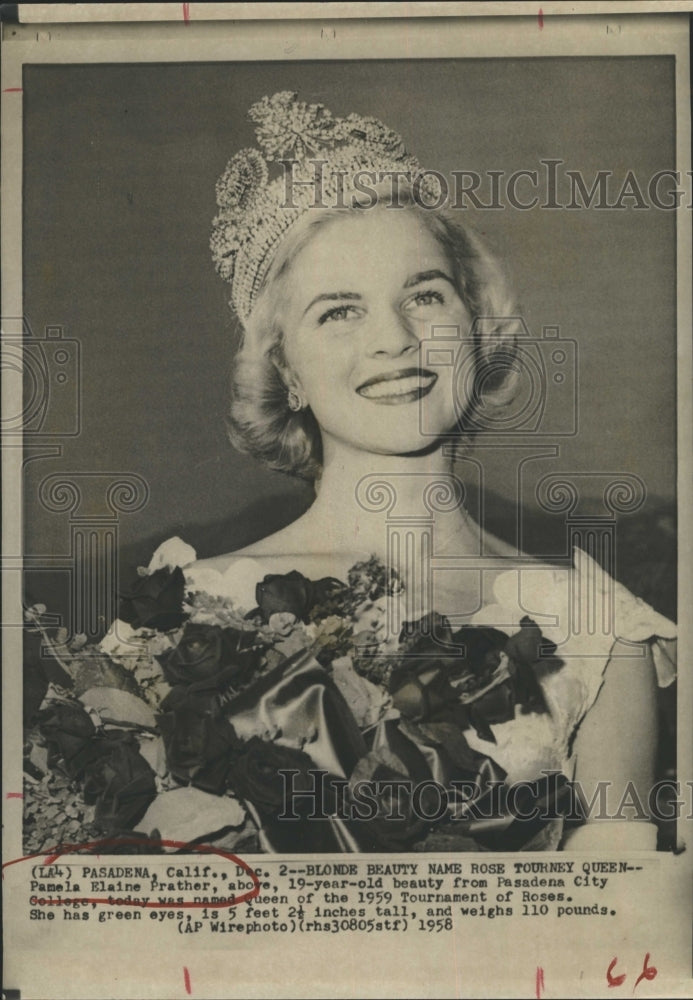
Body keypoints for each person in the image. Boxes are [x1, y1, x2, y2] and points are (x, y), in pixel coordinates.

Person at [176, 91, 676, 852]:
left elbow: (619, 925)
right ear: (287, 371)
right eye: (338, 311)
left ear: (473, 329)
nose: (396, 339)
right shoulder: (195, 609)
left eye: (424, 295)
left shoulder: (599, 628)